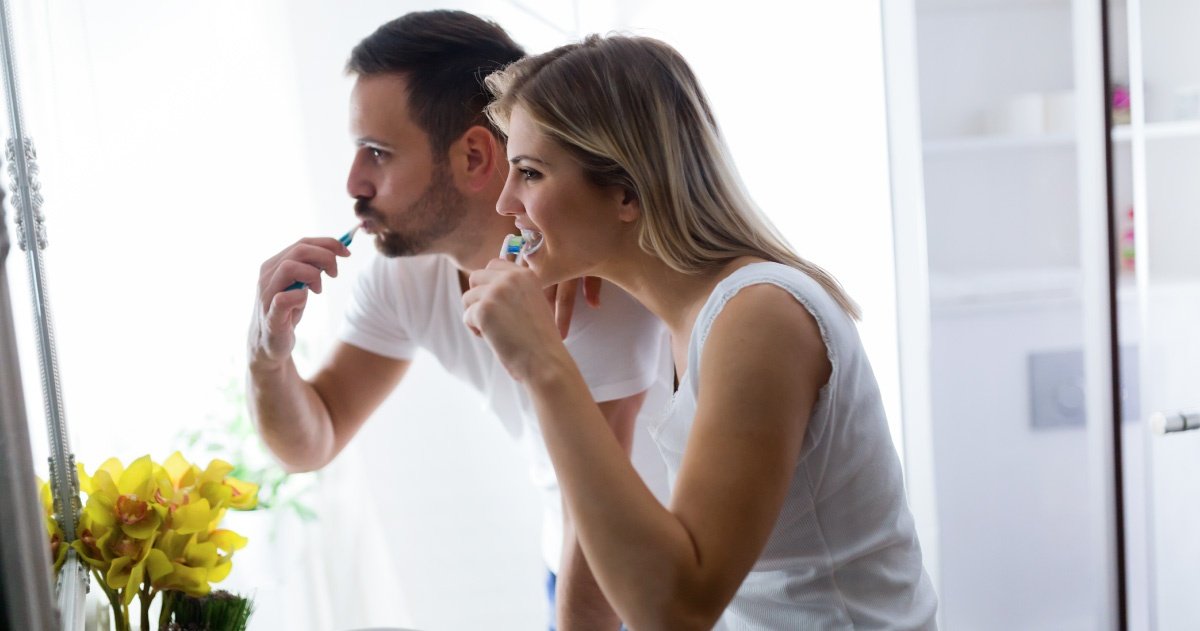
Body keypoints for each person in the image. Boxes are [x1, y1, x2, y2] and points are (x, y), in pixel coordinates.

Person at [463, 34, 939, 630]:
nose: (506, 203)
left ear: (628, 192)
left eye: (529, 173)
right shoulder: (679, 317)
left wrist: (543, 364)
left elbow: (676, 610)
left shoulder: (759, 316)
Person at [246, 12, 670, 630]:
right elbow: (313, 440)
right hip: (566, 561)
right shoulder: (404, 274)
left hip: (653, 577)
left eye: (378, 153)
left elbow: (599, 510)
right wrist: (267, 354)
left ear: (474, 155)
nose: (354, 182)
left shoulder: (585, 273)